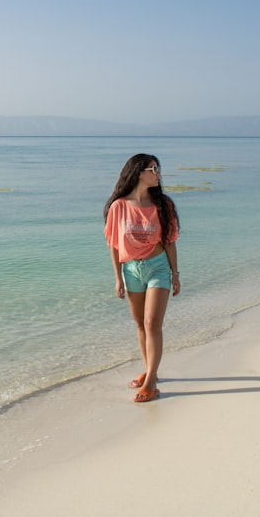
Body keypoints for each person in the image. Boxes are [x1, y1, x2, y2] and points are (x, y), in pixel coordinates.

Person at [103, 154, 180, 403]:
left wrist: (175, 274)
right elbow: (114, 245)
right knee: (139, 324)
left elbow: (169, 242)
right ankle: (150, 370)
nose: (158, 173)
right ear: (138, 172)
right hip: (131, 270)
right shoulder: (119, 206)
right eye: (153, 169)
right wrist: (118, 278)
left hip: (158, 267)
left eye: (158, 169)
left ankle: (150, 383)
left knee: (151, 323)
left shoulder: (163, 205)